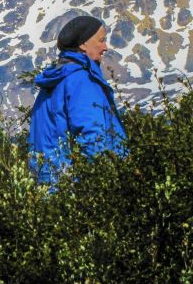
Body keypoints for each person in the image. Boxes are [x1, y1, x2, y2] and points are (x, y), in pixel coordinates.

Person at [28, 15, 126, 186]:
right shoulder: (81, 80)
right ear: (83, 44)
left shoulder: (54, 80)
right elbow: (93, 135)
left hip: (51, 184)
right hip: (79, 187)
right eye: (101, 40)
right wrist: (104, 184)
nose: (105, 47)